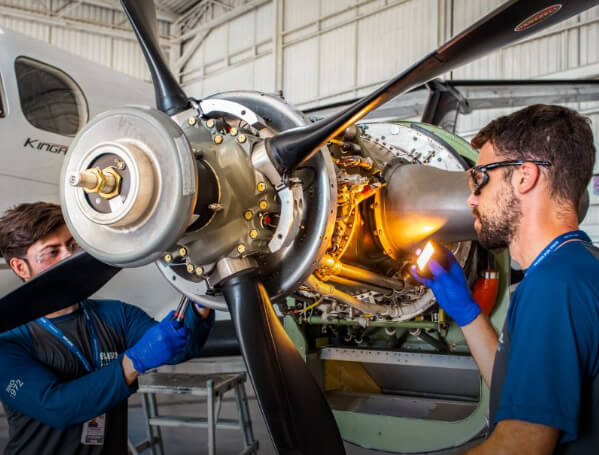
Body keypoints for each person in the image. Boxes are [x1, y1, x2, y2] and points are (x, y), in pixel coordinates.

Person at [411, 105, 599, 454]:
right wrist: (464, 308)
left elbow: (521, 445)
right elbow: (516, 386)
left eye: (480, 179)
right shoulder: (576, 268)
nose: (471, 198)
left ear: (525, 177)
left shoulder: (554, 286)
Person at [0, 202, 214, 454]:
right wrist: (132, 363)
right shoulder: (8, 341)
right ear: (20, 267)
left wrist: (203, 293)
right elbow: (56, 407)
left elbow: (181, 346)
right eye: (52, 251)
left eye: (71, 245)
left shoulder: (116, 315)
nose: (69, 257)